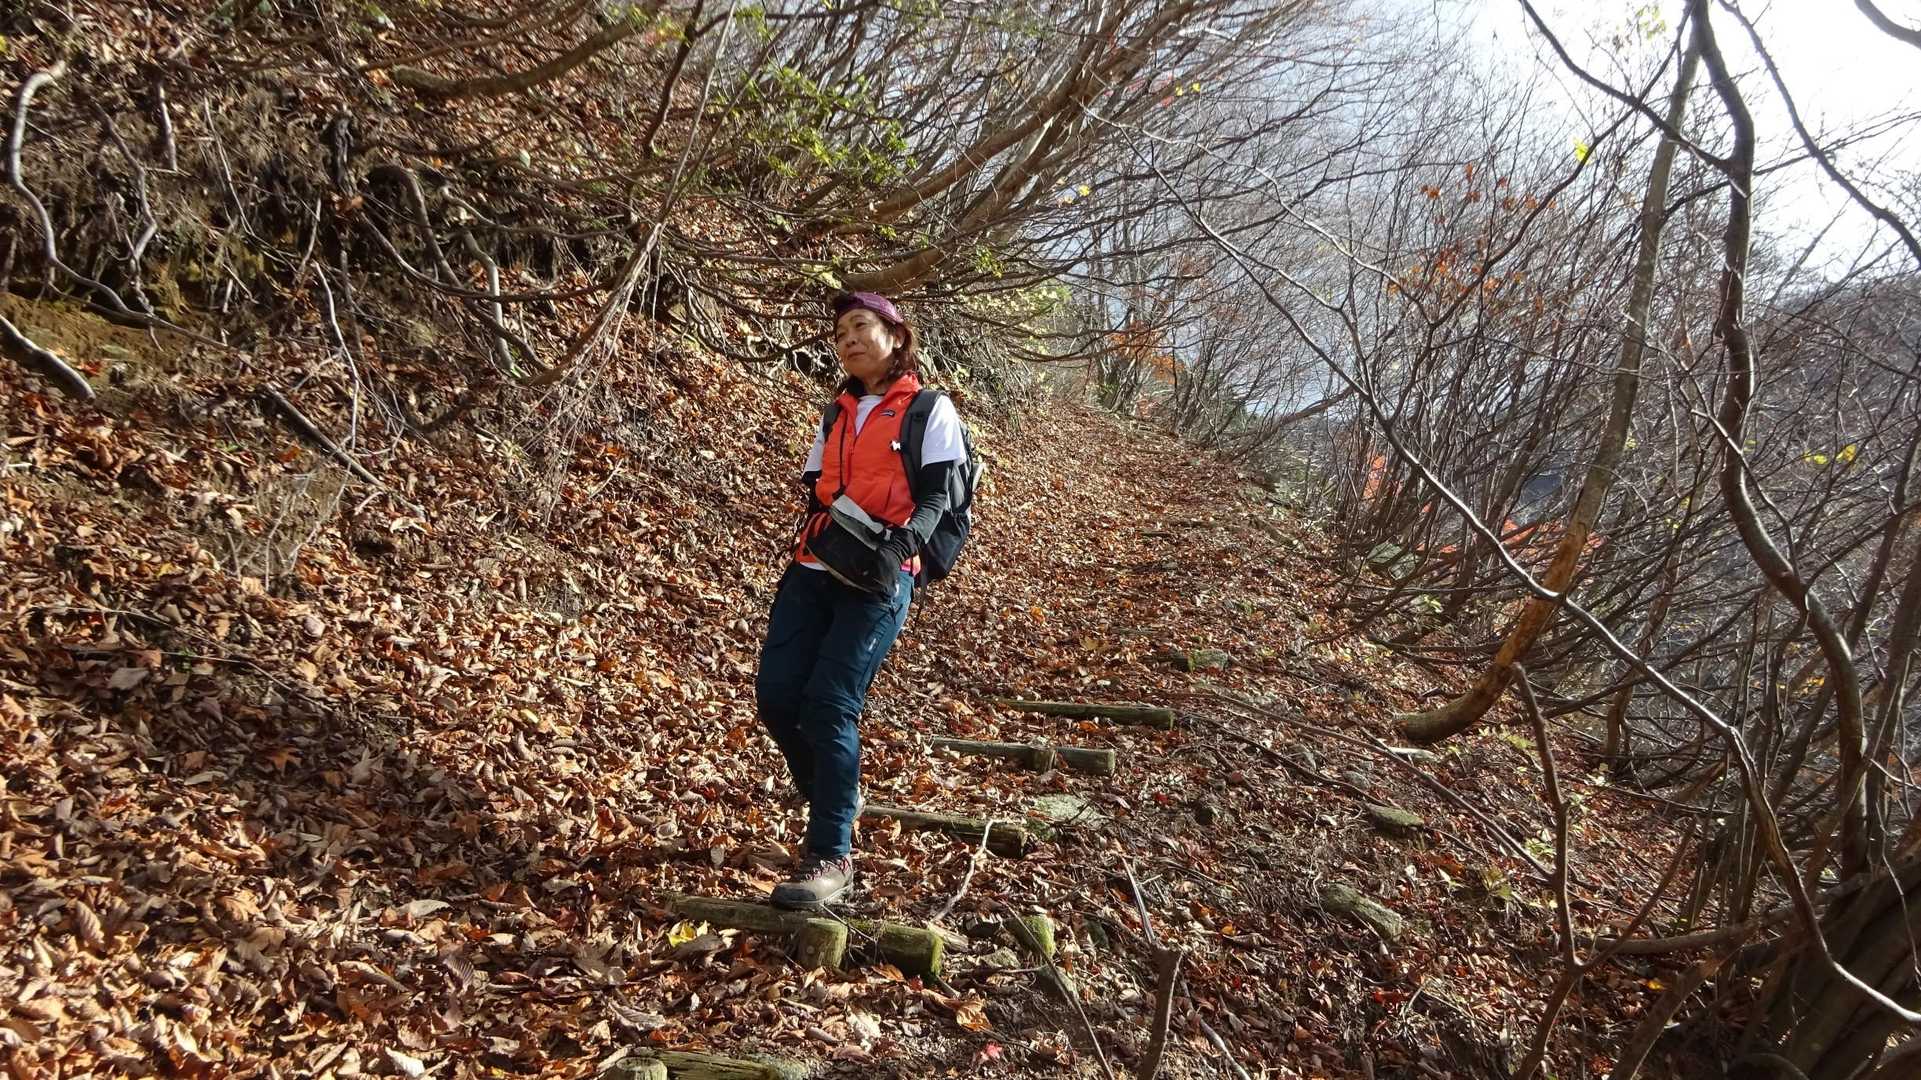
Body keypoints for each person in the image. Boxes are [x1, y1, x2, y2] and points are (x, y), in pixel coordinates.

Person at [755, 291, 967, 909]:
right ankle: (836, 797)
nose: (847, 339)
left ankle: (830, 853)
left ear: (896, 336)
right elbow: (816, 489)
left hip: (880, 577)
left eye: (860, 326)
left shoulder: (929, 409)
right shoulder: (837, 413)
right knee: (777, 697)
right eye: (840, 332)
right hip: (814, 567)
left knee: (828, 704)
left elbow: (939, 496)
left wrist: (901, 547)